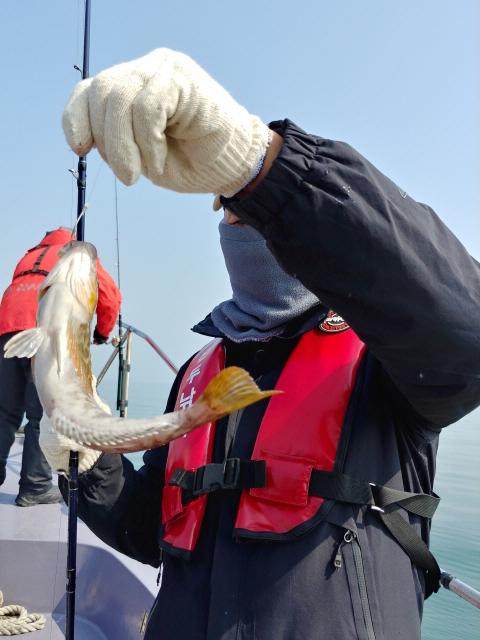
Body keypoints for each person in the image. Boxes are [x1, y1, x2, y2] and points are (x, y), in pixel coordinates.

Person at [40, 50, 480, 639]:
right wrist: (92, 466)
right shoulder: (198, 369)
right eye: (229, 208)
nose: (242, 218)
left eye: (256, 208)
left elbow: (466, 336)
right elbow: (150, 528)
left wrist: (262, 165)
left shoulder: (385, 357)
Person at [0, 227, 122, 506]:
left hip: (7, 328)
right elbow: (110, 296)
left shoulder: (29, 256)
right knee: (40, 413)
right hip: (45, 328)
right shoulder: (79, 256)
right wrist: (102, 333)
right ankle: (35, 487)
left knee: (4, 412)